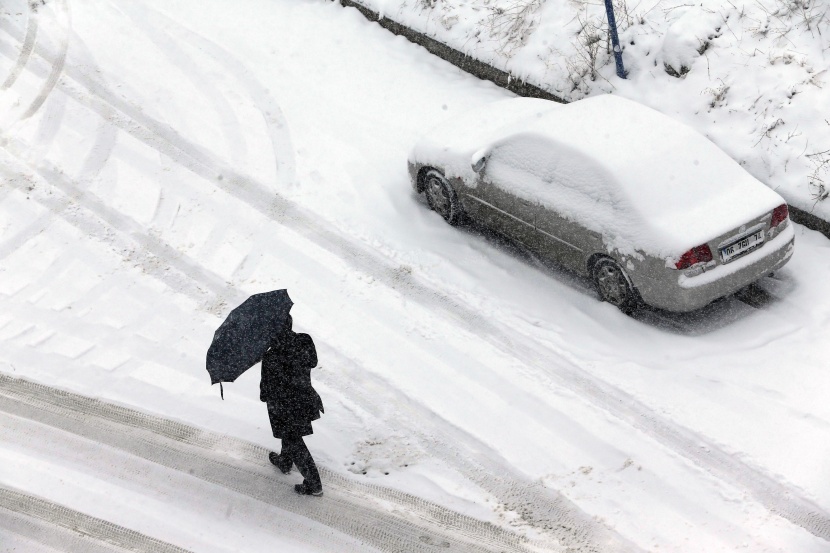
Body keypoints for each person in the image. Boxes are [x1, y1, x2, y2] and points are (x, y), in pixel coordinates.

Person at [260, 315, 325, 496]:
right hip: (304, 399)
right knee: (290, 434)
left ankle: (314, 484)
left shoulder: (272, 356)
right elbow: (312, 362)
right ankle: (285, 460)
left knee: (293, 440)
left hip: (284, 406)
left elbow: (264, 390)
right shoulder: (304, 341)